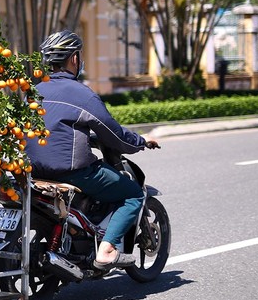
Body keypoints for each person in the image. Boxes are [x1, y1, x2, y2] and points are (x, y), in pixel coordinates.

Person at [25, 30, 160, 270]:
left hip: (33, 170)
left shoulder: (35, 91)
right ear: (74, 59)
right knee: (132, 194)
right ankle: (107, 250)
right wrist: (140, 141)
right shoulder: (82, 95)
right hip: (71, 172)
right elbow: (115, 135)